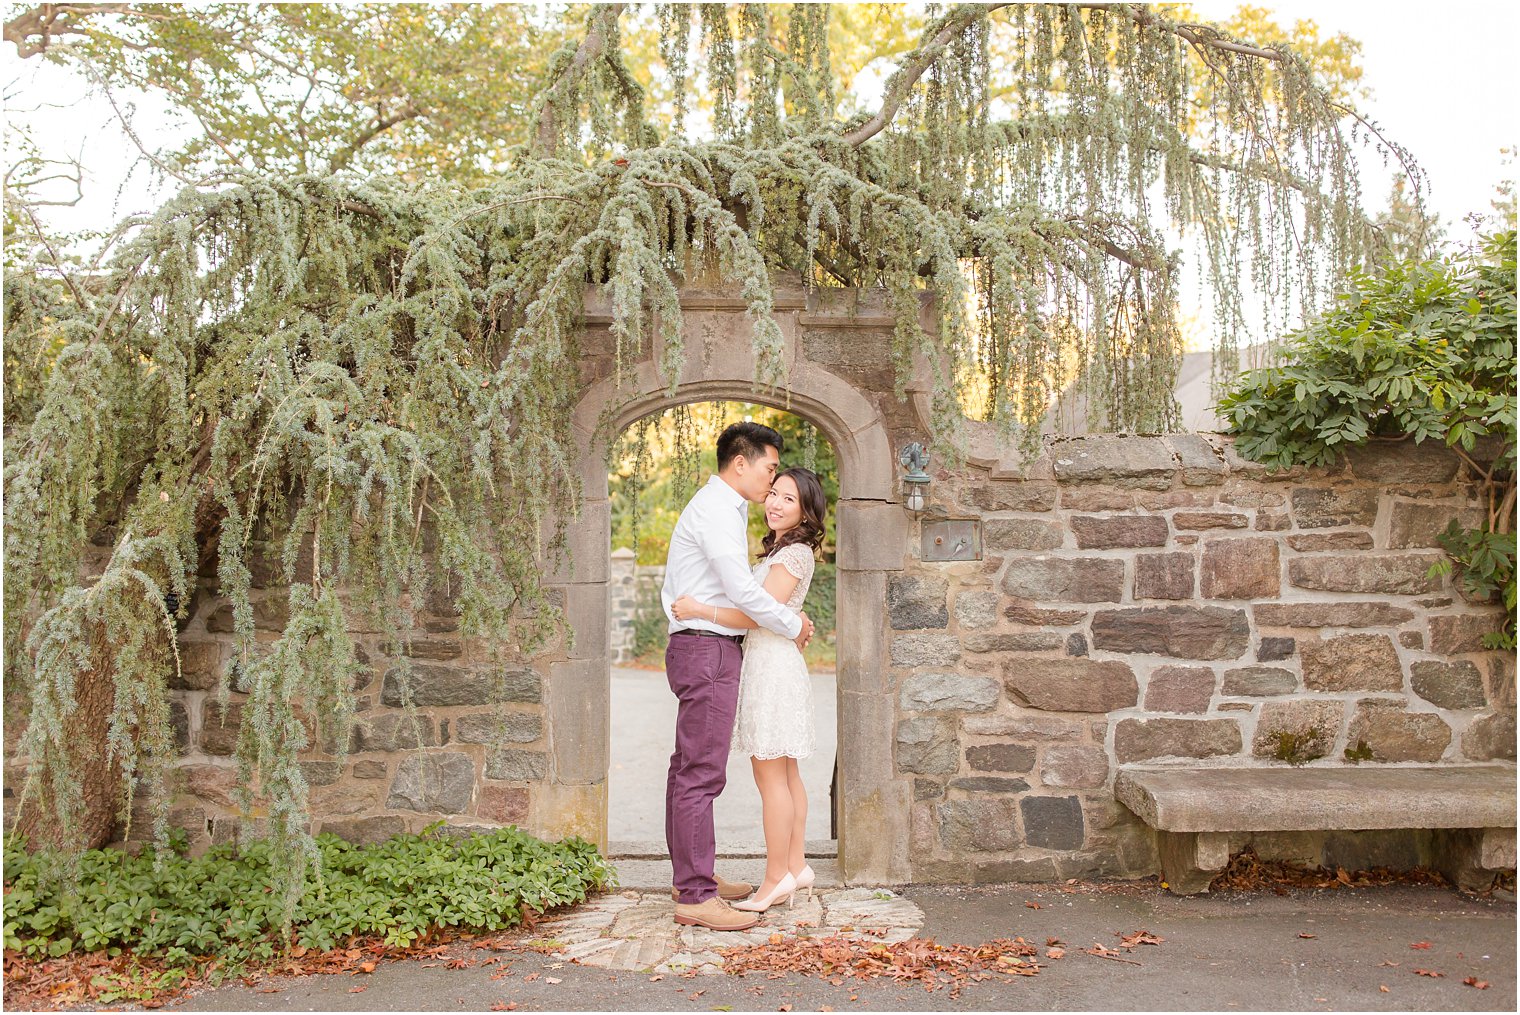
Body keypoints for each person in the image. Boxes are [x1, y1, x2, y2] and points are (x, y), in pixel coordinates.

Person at [661, 421, 815, 932]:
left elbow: (742, 596)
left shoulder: (725, 511)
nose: (771, 485)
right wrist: (795, 623)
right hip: (706, 649)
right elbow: (744, 595)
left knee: (689, 767)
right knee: (700, 772)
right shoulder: (717, 512)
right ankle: (696, 894)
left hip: (712, 647)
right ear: (741, 462)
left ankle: (695, 876)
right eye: (770, 469)